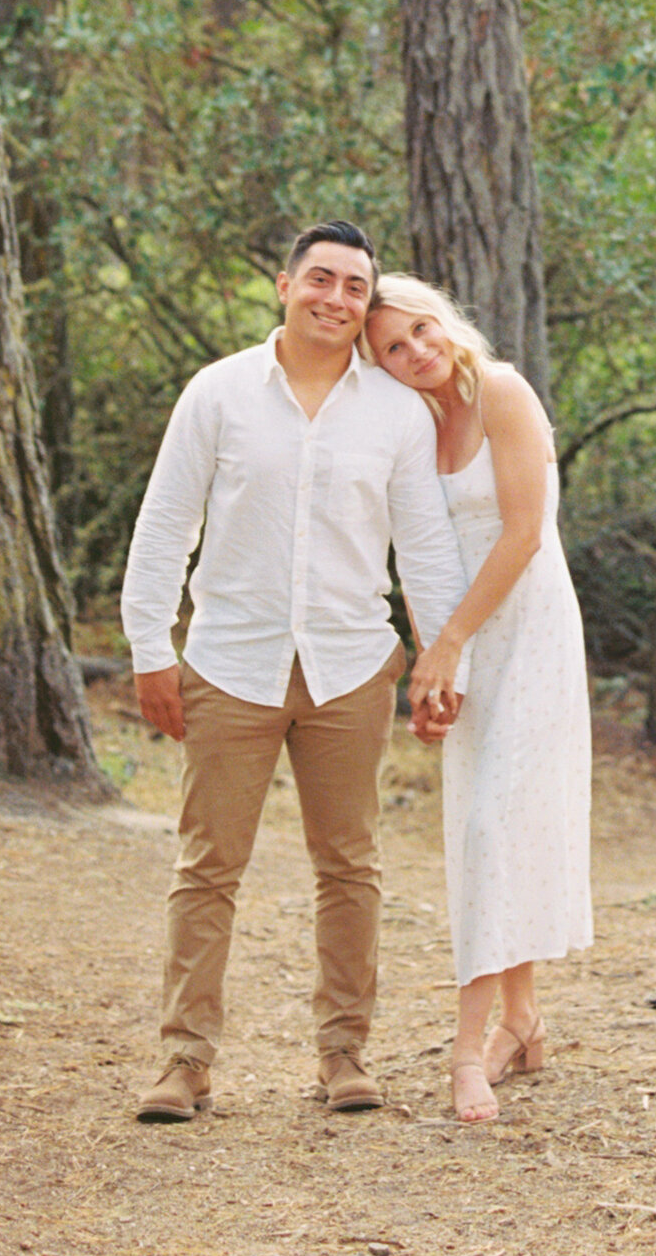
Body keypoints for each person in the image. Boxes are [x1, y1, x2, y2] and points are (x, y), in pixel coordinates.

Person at [121, 219, 471, 1125]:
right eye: (322, 279)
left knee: (350, 866)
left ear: (368, 304)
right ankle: (184, 1062)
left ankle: (344, 1055)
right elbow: (165, 524)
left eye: (356, 287)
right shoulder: (220, 394)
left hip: (352, 669)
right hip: (231, 663)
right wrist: (150, 648)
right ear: (285, 285)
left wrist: (438, 658)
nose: (337, 299)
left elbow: (424, 546)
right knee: (206, 868)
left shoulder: (395, 411)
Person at [365, 272, 592, 1123]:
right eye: (392, 347)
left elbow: (526, 533)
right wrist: (438, 667)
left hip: (527, 631)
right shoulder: (417, 425)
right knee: (486, 827)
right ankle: (524, 1023)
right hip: (462, 641)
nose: (415, 352)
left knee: (496, 826)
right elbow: (423, 553)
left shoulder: (500, 391)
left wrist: (451, 643)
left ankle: (466, 1051)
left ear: (443, 318)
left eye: (420, 330)